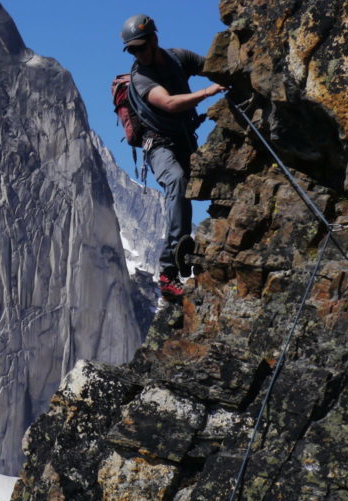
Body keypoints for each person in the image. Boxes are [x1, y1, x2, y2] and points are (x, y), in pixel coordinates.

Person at [121, 14, 226, 300]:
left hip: (184, 139)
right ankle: (168, 272)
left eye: (141, 47)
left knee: (194, 188)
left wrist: (230, 77)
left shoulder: (178, 58)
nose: (138, 53)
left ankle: (187, 255)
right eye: (132, 50)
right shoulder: (140, 78)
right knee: (177, 181)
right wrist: (207, 92)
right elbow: (168, 103)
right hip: (158, 145)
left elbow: (212, 66)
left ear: (154, 40)